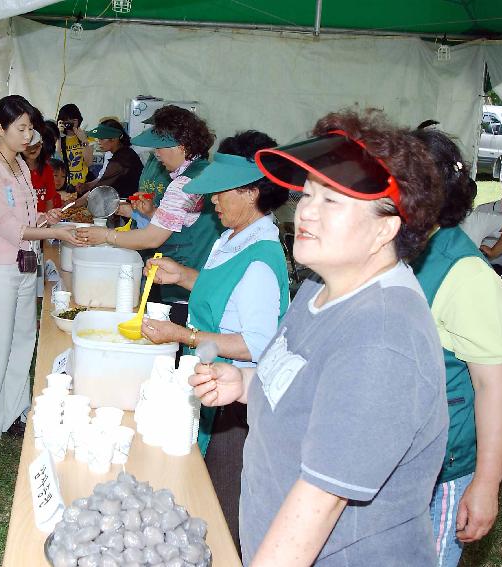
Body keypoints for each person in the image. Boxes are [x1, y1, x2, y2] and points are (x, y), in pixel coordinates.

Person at [191, 109, 447, 565]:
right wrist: (247, 385)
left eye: (332, 201)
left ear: (385, 228)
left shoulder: (381, 338)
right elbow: (305, 390)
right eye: (307, 194)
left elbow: (320, 502)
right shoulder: (320, 288)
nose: (306, 210)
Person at [140, 130, 289, 550]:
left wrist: (180, 334)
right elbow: (224, 291)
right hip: (211, 385)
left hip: (235, 409)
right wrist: (182, 275)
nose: (212, 200)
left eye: (221, 191)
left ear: (251, 191)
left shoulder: (261, 258)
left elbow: (255, 344)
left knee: (222, 513)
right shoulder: (233, 238)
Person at [410, 127, 502, 567]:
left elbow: (492, 389)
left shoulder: (467, 275)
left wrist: (486, 483)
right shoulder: (398, 250)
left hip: (443, 467)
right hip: (398, 458)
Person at [0, 94, 82, 439]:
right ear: (0, 129)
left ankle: (14, 412)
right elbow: (8, 227)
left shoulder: (19, 163)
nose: (28, 134)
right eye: (21, 127)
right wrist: (54, 230)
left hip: (24, 265)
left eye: (30, 127)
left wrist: (46, 218)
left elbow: (24, 218)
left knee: (23, 339)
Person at [77, 106, 221, 323]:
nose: (157, 154)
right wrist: (154, 212)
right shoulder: (205, 171)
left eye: (160, 147)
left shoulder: (183, 184)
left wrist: (106, 236)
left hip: (186, 284)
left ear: (181, 146)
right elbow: (187, 220)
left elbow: (152, 238)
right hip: (203, 278)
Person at [76, 119, 143, 199]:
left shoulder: (121, 160)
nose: (99, 142)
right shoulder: (123, 153)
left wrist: (77, 203)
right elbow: (104, 180)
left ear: (114, 138)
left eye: (102, 139)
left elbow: (101, 188)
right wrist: (86, 186)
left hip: (127, 203)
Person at [23, 129, 63, 211]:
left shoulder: (47, 169)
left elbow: (49, 200)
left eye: (36, 146)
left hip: (42, 221)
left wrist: (46, 220)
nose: (32, 149)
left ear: (41, 145)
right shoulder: (15, 169)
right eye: (28, 146)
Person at [55, 103, 92, 186]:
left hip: (81, 185)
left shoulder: (85, 137)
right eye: (66, 120)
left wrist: (83, 140)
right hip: (62, 185)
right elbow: (57, 160)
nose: (70, 123)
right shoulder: (58, 138)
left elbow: (89, 162)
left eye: (73, 120)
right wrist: (59, 135)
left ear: (79, 120)